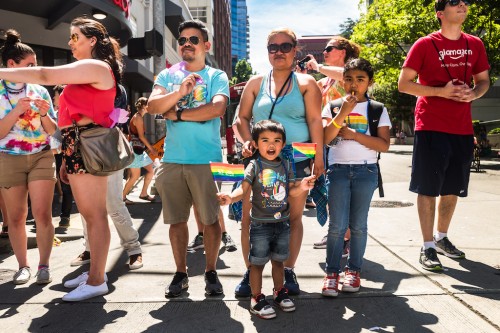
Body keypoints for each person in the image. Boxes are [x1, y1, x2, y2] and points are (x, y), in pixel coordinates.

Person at [0, 17, 126, 300]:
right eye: (70, 37)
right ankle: (96, 272)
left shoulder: (95, 66)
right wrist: (68, 157)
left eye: (75, 37)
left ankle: (96, 281)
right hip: (76, 145)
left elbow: (44, 75)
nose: (70, 43)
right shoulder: (86, 69)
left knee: (95, 215)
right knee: (89, 215)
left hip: (88, 144)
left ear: (92, 41)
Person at [398, 0, 490, 271]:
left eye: (465, 1)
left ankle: (441, 238)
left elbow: (483, 80)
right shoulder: (425, 44)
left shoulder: (475, 44)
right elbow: (404, 84)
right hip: (431, 125)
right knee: (428, 187)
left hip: (461, 128)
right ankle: (427, 246)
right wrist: (441, 92)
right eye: (454, 2)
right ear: (440, 14)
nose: (462, 5)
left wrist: (474, 93)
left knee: (452, 188)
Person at [236, 27, 323, 295]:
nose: (279, 52)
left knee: (292, 218)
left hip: (296, 159)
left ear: (295, 50)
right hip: (259, 161)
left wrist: (319, 157)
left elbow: (314, 121)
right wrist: (246, 140)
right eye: (273, 47)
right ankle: (251, 271)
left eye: (285, 47)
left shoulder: (307, 84)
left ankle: (288, 270)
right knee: (250, 218)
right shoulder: (255, 83)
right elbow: (241, 118)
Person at [147, 19, 229, 298]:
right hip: (172, 160)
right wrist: (180, 92)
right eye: (182, 40)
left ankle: (211, 271)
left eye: (193, 40)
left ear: (206, 45)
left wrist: (179, 114)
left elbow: (216, 109)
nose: (186, 44)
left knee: (211, 221)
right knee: (176, 220)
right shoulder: (167, 75)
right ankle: (181, 273)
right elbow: (153, 106)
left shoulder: (217, 76)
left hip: (207, 160)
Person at [218, 120, 315, 319]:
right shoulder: (255, 165)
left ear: (283, 144)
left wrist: (303, 186)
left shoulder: (286, 164)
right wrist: (231, 198)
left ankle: (279, 293)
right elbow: (244, 188)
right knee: (257, 264)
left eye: (277, 141)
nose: (271, 145)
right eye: (265, 140)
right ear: (255, 143)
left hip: (282, 223)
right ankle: (257, 298)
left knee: (279, 262)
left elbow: (291, 192)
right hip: (260, 225)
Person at [321, 58, 391, 296]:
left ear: (369, 82)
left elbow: (383, 145)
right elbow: (326, 138)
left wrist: (353, 135)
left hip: (366, 171)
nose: (354, 84)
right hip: (338, 170)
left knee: (358, 226)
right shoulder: (332, 106)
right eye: (348, 79)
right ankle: (331, 273)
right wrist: (343, 113)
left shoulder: (377, 109)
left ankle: (353, 271)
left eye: (360, 79)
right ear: (342, 81)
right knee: (337, 226)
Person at [0, 29, 57, 285]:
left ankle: (44, 265)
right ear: (11, 65)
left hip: (41, 156)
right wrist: (16, 111)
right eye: (29, 65)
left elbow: (53, 130)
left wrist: (45, 114)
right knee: (15, 217)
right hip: (8, 158)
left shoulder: (39, 90)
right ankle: (23, 266)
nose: (35, 70)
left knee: (43, 214)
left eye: (36, 65)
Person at [69, 84, 143, 271]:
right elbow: (70, 123)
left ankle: (134, 249)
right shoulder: (75, 86)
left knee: (113, 202)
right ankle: (89, 249)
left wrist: (84, 118)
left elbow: (111, 118)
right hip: (81, 151)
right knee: (86, 206)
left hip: (107, 149)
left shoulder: (116, 89)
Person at [303, 36, 361, 253]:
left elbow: (347, 77)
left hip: (346, 140)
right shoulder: (325, 80)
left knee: (344, 191)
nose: (325, 53)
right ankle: (335, 233)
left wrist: (318, 67)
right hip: (326, 139)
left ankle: (345, 238)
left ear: (343, 51)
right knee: (329, 190)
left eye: (329, 49)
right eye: (324, 50)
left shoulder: (351, 72)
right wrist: (305, 76)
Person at [122, 97, 157, 203]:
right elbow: (141, 136)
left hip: (139, 149)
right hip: (135, 150)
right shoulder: (138, 118)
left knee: (151, 169)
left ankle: (143, 194)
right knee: (135, 176)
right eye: (149, 105)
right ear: (144, 106)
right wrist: (151, 148)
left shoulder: (139, 117)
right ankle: (122, 197)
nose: (151, 107)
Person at [51, 84, 74, 228]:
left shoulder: (68, 112)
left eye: (55, 95)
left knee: (66, 186)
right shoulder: (54, 112)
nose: (53, 97)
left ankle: (65, 217)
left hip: (65, 153)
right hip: (53, 152)